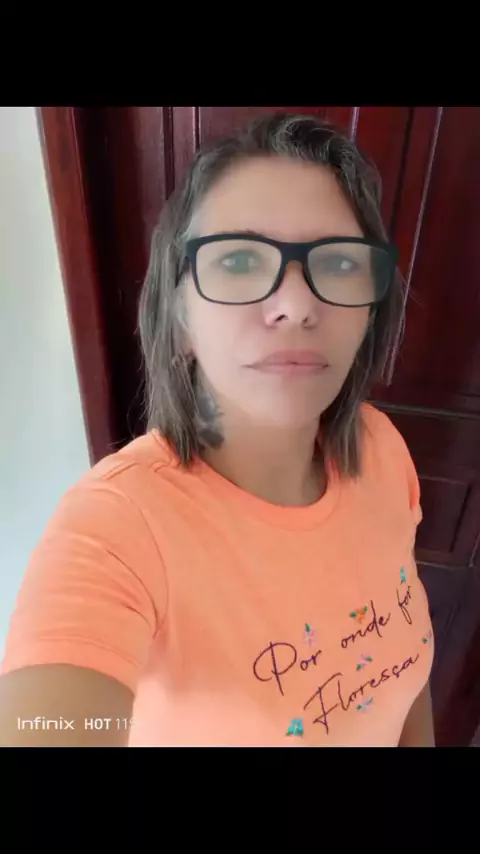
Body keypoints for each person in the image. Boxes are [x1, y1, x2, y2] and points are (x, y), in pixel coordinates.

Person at [0, 112, 435, 747]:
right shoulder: (117, 529)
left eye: (339, 263)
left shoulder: (382, 449)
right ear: (179, 319)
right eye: (238, 260)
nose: (296, 306)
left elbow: (404, 665)